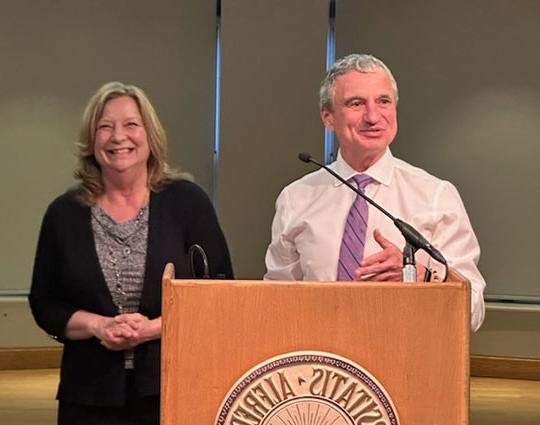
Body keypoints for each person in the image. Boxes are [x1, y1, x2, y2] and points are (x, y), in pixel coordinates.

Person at [29, 81, 233, 425]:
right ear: (91, 141)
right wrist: (98, 325)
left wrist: (151, 329)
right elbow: (45, 303)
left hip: (173, 389)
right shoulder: (63, 213)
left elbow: (219, 293)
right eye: (104, 127)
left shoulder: (187, 202)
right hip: (87, 396)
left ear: (150, 136)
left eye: (131, 125)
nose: (117, 137)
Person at [264, 54, 485, 331]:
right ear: (328, 118)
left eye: (383, 102)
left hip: (407, 361)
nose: (372, 116)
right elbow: (275, 304)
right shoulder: (296, 198)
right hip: (322, 365)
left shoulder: (436, 195)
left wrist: (422, 277)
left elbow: (473, 312)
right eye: (356, 103)